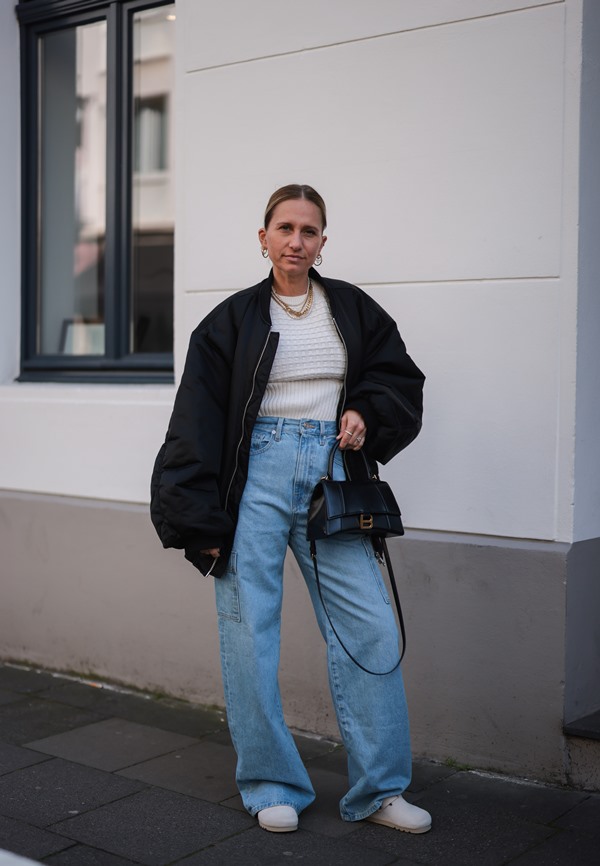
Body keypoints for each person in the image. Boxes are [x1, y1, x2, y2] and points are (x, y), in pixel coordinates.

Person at [151, 184, 431, 835]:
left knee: (372, 629)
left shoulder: (354, 311)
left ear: (322, 242)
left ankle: (381, 790)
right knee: (249, 634)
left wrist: (364, 411)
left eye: (309, 230)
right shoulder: (231, 321)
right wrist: (196, 519)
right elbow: (195, 421)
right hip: (253, 479)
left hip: (332, 475)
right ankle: (270, 781)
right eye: (285, 227)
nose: (296, 240)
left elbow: (398, 378)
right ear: (264, 237)